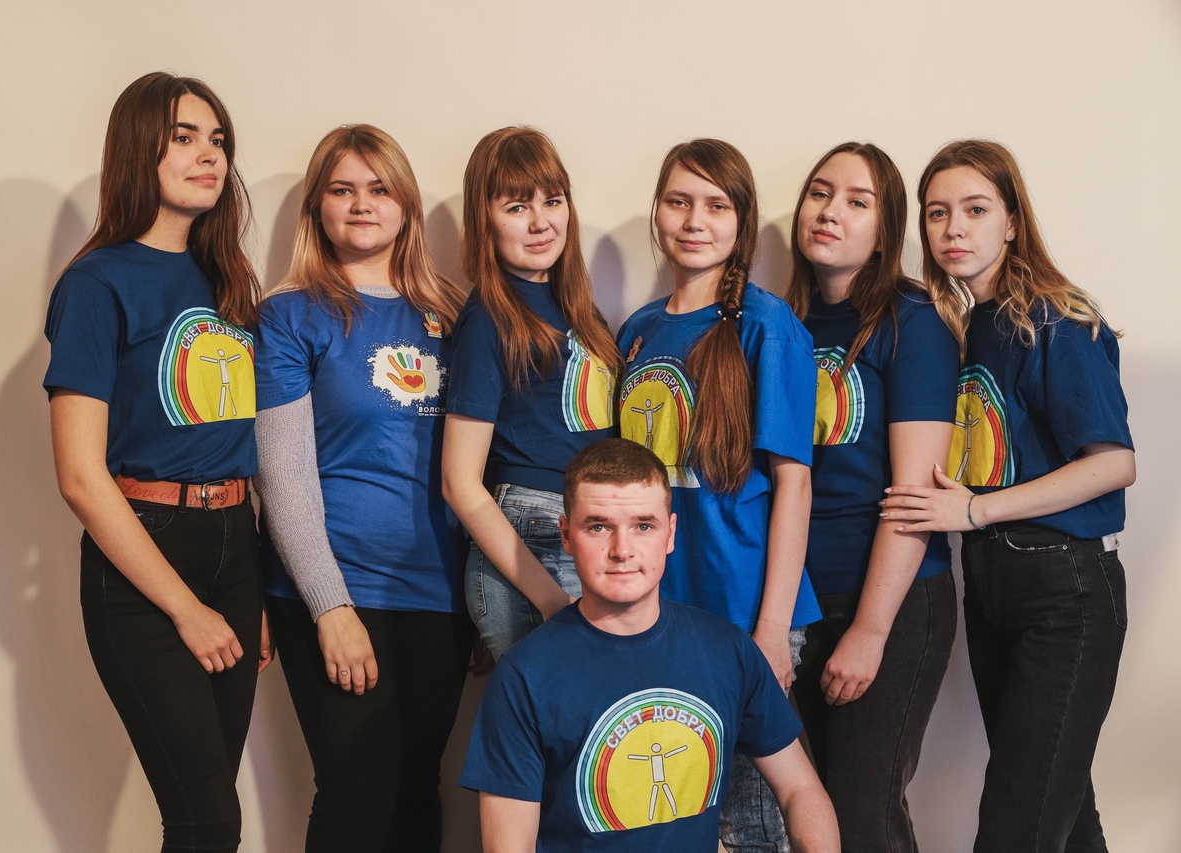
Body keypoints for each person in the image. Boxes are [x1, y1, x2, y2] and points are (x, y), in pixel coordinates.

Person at [884, 139, 1135, 853]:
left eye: (975, 210)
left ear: (1013, 221)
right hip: (993, 587)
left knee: (1016, 826)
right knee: (1063, 815)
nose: (953, 229)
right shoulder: (968, 327)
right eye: (937, 213)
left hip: (1065, 591)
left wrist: (974, 509)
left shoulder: (1056, 319)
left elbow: (1114, 464)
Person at [44, 72, 268, 853]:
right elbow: (80, 476)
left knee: (211, 816)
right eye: (184, 137)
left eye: (218, 140)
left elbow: (239, 443)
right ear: (140, 148)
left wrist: (249, 584)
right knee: (207, 821)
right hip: (145, 553)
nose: (209, 155)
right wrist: (184, 607)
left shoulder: (227, 277)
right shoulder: (96, 283)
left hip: (235, 544)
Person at [254, 125, 474, 852]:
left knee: (417, 788)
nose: (361, 205)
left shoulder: (456, 314)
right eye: (342, 189)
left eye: (379, 189)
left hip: (438, 592)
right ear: (316, 207)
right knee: (358, 791)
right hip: (338, 585)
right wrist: (330, 604)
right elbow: (282, 474)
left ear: (406, 203)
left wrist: (483, 599)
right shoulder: (290, 314)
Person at [460, 438, 840, 853]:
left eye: (643, 526)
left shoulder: (727, 650)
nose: (622, 550)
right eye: (599, 526)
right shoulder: (524, 675)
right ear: (566, 535)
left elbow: (800, 789)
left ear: (670, 534)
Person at [615, 138, 818, 852]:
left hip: (744, 608)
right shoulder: (639, 330)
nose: (695, 220)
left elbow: (795, 482)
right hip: (659, 610)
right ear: (658, 212)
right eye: (679, 201)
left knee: (750, 822)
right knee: (672, 811)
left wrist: (772, 628)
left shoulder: (768, 326)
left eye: (716, 205)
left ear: (742, 221)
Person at [784, 142, 960, 851]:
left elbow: (915, 493)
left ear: (886, 232)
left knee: (863, 815)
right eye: (820, 193)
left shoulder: (912, 322)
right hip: (800, 603)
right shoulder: (786, 322)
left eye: (858, 202)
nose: (830, 211)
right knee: (817, 812)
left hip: (892, 598)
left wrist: (870, 629)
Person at [443, 126, 622, 659]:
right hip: (531, 535)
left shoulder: (579, 310)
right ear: (485, 220)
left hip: (585, 524)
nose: (541, 222)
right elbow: (459, 482)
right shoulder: (489, 318)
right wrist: (546, 597)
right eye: (517, 206)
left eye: (553, 200)